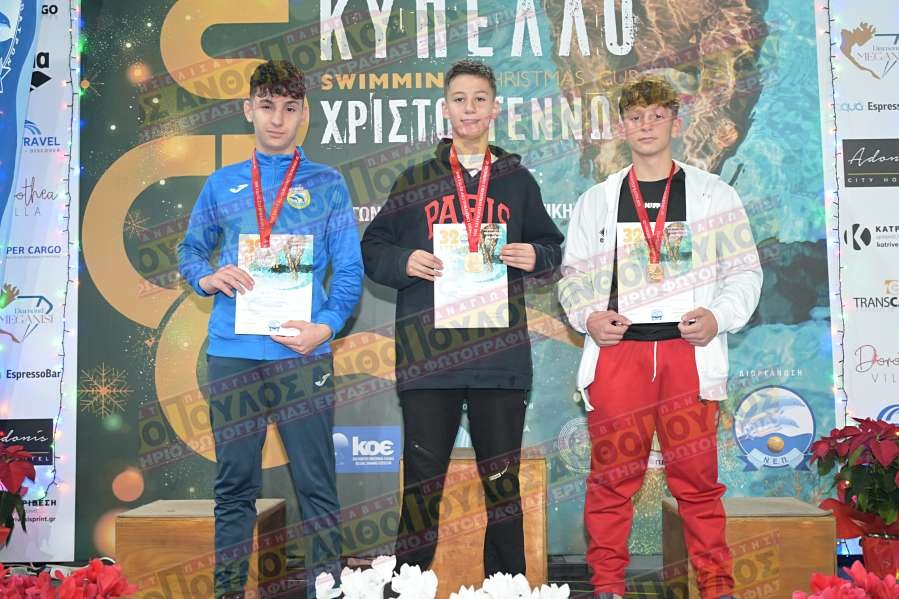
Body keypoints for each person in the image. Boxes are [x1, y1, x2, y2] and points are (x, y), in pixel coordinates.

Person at [558, 75, 762, 599]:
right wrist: (588, 316)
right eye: (635, 117)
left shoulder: (714, 194)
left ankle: (716, 587)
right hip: (618, 354)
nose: (646, 126)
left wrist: (718, 316)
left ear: (676, 121)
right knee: (611, 480)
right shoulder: (597, 200)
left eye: (656, 116)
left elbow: (745, 272)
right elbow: (572, 277)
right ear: (622, 127)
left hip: (687, 354)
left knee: (697, 481)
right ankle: (607, 586)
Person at [361, 59, 564, 583]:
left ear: (495, 109)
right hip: (430, 360)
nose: (469, 108)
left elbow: (552, 249)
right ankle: (408, 584)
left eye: (479, 99)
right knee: (422, 484)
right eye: (459, 99)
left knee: (502, 484)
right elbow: (373, 248)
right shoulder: (414, 180)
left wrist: (535, 256)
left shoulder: (518, 182)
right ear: (445, 109)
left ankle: (508, 587)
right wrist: (404, 260)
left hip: (499, 359)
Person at [177, 59, 362, 599]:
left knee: (315, 483)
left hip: (302, 353)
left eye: (288, 108)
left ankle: (326, 590)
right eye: (266, 107)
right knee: (234, 484)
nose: (277, 119)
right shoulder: (222, 183)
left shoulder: (328, 183)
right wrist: (207, 277)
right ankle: (229, 592)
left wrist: (326, 327)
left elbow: (349, 270)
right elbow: (190, 250)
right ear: (248, 110)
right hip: (233, 353)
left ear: (304, 113)